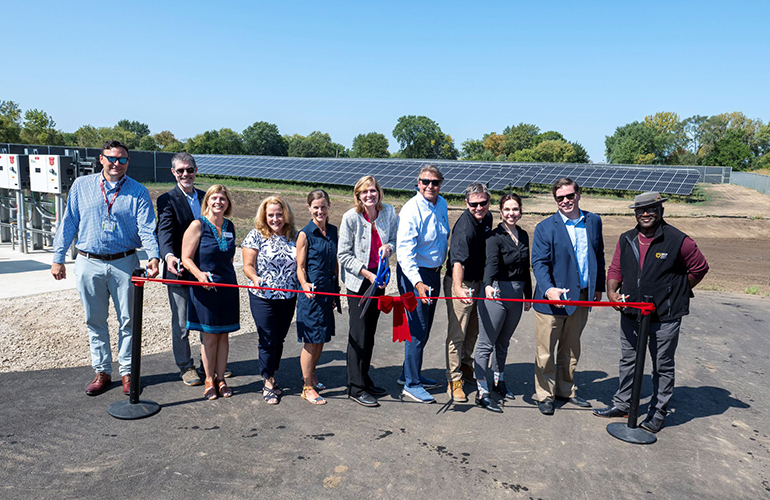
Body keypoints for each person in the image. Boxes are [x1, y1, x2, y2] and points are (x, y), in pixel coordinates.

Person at [593, 192, 709, 433]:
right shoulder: (627, 239)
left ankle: (658, 411)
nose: (645, 214)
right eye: (640, 210)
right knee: (628, 361)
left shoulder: (679, 240)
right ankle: (623, 404)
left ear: (661, 211)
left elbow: (699, 268)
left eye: (651, 209)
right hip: (631, 313)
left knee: (662, 366)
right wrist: (612, 292)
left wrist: (675, 292)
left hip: (664, 317)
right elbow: (616, 268)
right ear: (635, 213)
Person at [51, 139, 160, 396]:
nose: (116, 164)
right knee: (95, 319)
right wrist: (58, 257)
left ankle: (127, 372)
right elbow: (69, 223)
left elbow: (146, 228)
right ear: (101, 159)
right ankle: (102, 371)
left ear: (128, 162)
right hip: (89, 262)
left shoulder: (138, 191)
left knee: (128, 320)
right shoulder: (82, 186)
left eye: (122, 159)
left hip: (125, 263)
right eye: (111, 158)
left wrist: (154, 256)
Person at [531, 177, 605, 415]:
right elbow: (539, 263)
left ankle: (566, 390)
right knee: (546, 352)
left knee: (571, 349)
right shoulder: (545, 227)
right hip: (551, 302)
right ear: (555, 200)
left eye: (569, 196)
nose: (565, 201)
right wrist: (548, 288)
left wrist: (597, 287)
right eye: (560, 198)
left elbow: (598, 255)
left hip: (581, 297)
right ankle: (544, 394)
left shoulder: (593, 221)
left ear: (579, 195)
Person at [338, 176, 398, 407]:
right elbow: (343, 255)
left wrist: (388, 247)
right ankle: (355, 387)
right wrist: (366, 273)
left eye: (373, 190)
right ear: (358, 195)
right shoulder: (350, 218)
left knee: (370, 332)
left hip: (379, 279)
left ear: (379, 192)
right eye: (364, 192)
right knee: (358, 333)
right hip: (360, 282)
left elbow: (393, 239)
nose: (369, 195)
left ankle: (364, 378)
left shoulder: (388, 212)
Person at [396, 165, 450, 403]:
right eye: (425, 182)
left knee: (425, 327)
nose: (430, 186)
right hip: (414, 274)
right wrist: (417, 282)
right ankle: (411, 384)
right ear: (418, 183)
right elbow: (404, 253)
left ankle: (409, 371)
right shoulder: (410, 209)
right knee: (416, 328)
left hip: (433, 274)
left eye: (435, 182)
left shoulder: (442, 204)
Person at [474, 193, 533, 412]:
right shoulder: (494, 236)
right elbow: (491, 263)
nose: (511, 213)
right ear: (500, 211)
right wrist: (488, 284)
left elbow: (526, 267)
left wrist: (528, 293)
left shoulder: (524, 235)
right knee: (486, 343)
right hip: (496, 292)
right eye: (507, 209)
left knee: (503, 342)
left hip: (517, 294)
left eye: (515, 209)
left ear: (520, 211)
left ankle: (499, 381)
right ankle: (482, 391)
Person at [181, 184, 239, 400]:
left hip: (227, 288)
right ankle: (208, 379)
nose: (218, 202)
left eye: (222, 199)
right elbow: (185, 258)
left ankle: (221, 378)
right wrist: (199, 275)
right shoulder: (197, 225)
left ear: (227, 203)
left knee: (224, 335)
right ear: (207, 202)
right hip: (204, 288)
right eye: (214, 198)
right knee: (210, 336)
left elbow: (229, 258)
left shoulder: (230, 226)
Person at [242, 195, 298, 405]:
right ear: (264, 216)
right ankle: (267, 381)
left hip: (288, 296)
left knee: (280, 338)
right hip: (262, 296)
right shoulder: (255, 235)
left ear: (286, 214)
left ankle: (273, 373)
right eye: (271, 215)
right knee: (267, 338)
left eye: (279, 214)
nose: (275, 219)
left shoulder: (295, 235)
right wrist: (255, 277)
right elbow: (248, 265)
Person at [156, 152, 206, 386]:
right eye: (180, 171)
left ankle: (210, 363)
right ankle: (186, 367)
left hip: (205, 271)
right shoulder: (167, 200)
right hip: (179, 270)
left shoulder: (207, 198)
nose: (186, 174)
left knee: (207, 320)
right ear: (173, 173)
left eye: (189, 170)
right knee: (182, 323)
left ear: (196, 170)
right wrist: (167, 256)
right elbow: (164, 232)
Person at [444, 183, 493, 403]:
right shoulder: (464, 227)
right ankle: (454, 381)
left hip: (478, 282)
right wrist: (458, 288)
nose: (479, 207)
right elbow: (457, 262)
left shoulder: (488, 218)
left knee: (473, 329)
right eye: (474, 204)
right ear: (466, 203)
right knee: (458, 334)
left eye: (483, 203)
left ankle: (465, 365)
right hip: (461, 282)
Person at [296, 189, 339, 405]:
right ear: (309, 208)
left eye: (323, 206)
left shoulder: (332, 231)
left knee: (321, 338)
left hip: (327, 292)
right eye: (316, 207)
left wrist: (335, 292)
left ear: (329, 206)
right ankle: (307, 387)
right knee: (310, 341)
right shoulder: (305, 234)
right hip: (311, 295)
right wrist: (304, 285)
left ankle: (312, 374)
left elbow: (335, 263)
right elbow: (300, 267)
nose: (320, 211)